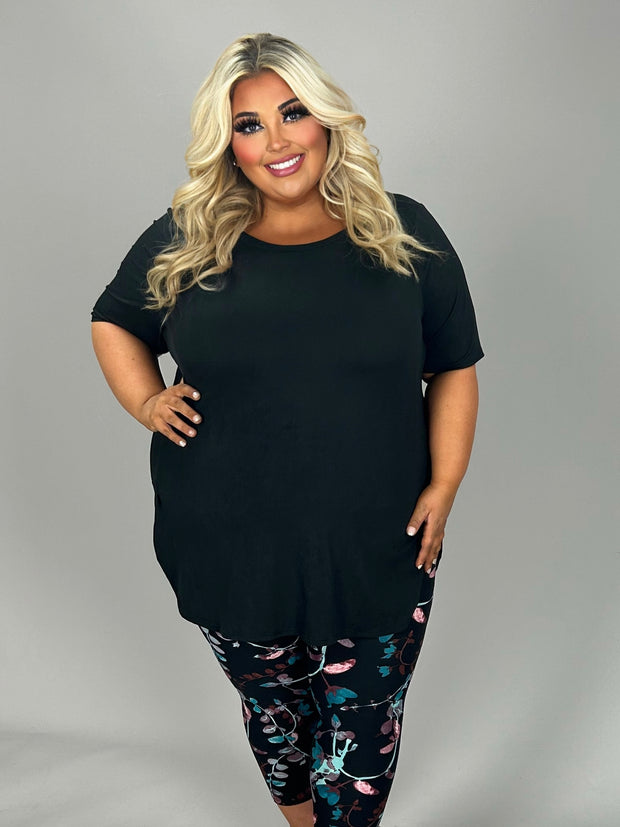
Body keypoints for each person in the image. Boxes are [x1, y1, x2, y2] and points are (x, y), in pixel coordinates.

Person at [91, 31, 484, 827]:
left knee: (362, 734)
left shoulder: (405, 234)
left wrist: (445, 483)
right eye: (249, 124)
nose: (276, 140)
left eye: (293, 112)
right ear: (228, 143)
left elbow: (453, 366)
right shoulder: (190, 236)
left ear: (327, 118)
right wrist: (146, 401)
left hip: (379, 544)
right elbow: (115, 319)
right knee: (279, 723)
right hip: (227, 548)